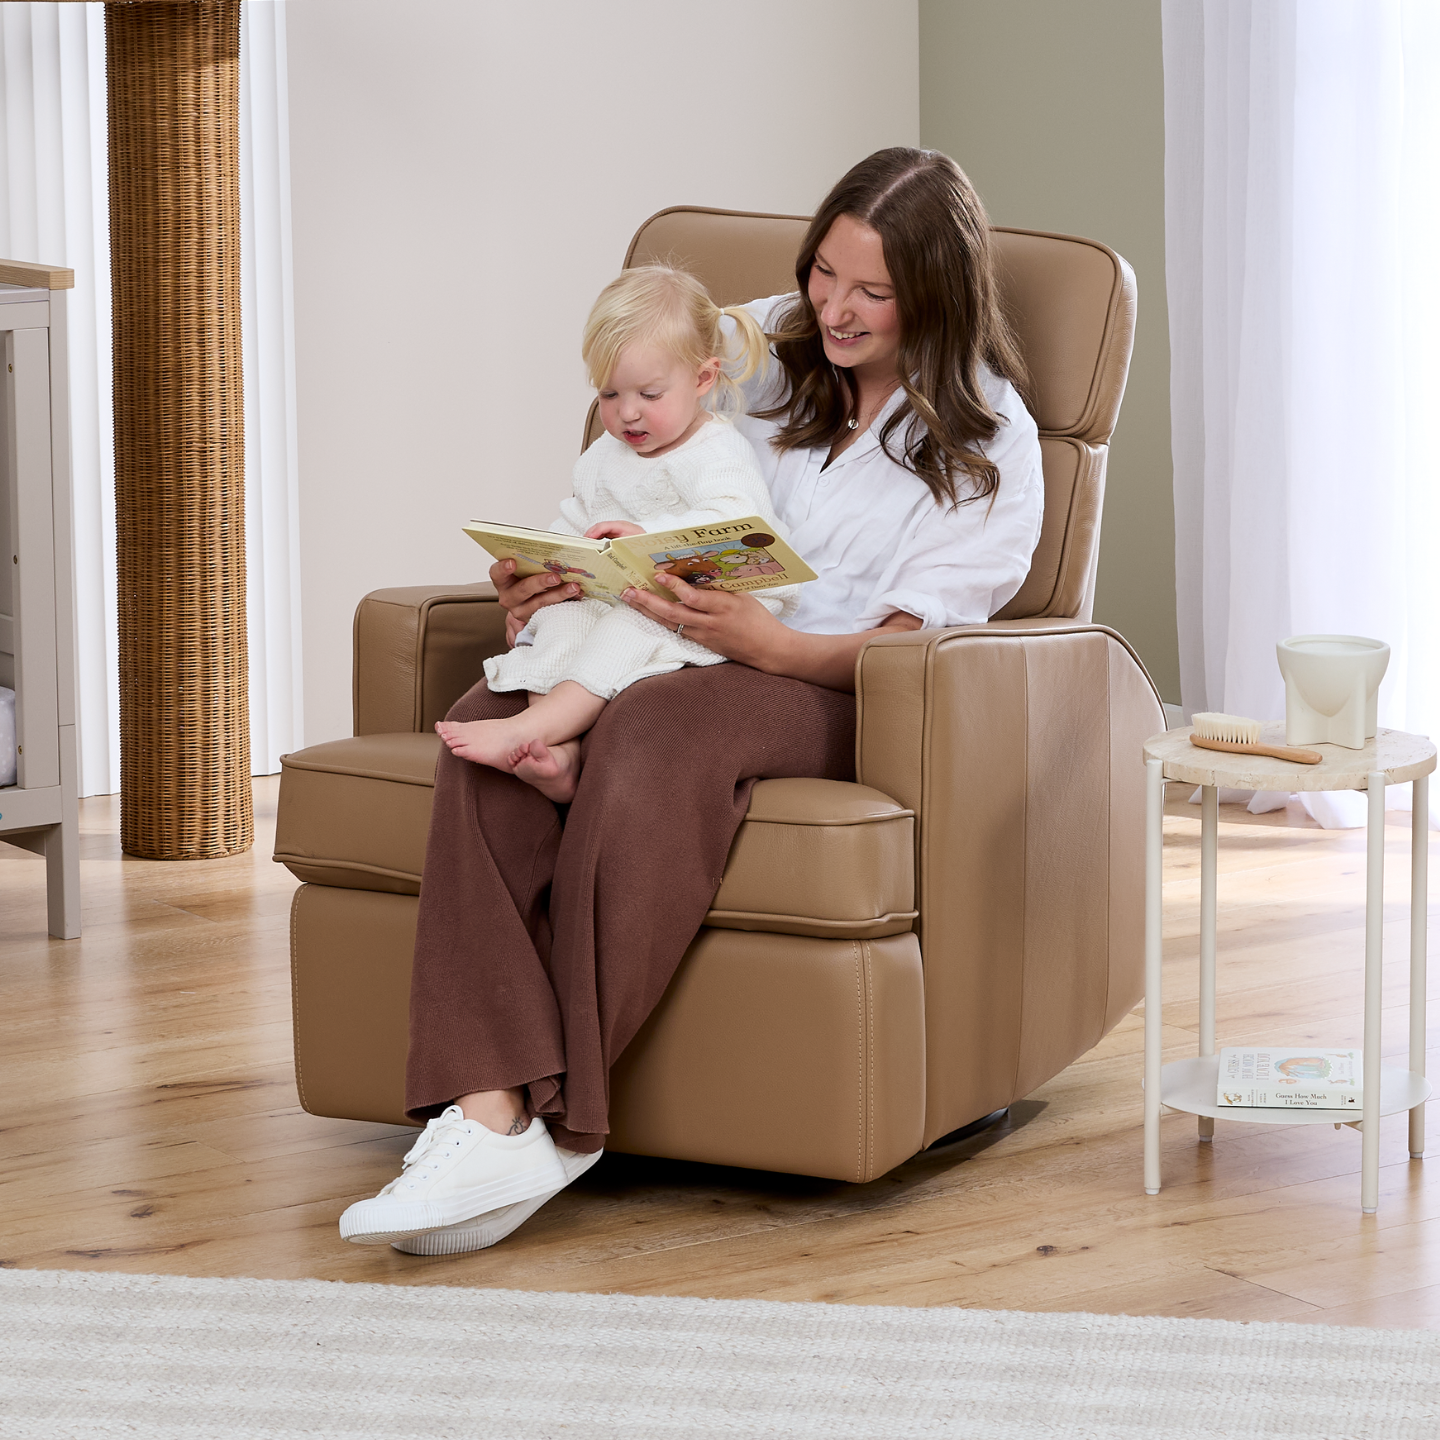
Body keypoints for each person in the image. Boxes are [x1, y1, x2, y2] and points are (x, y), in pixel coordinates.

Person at [338, 147, 1044, 1256]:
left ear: (937, 295)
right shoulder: (754, 344)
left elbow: (913, 646)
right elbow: (633, 441)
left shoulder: (988, 436)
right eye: (824, 273)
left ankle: (561, 1122)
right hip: (659, 630)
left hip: (826, 683)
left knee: (656, 731)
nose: (834, 308)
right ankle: (484, 1111)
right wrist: (550, 571)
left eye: (873, 291)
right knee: (492, 715)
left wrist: (769, 642)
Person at [435, 265, 799, 804]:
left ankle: (529, 731)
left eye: (649, 394)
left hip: (688, 609)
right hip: (612, 593)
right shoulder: (605, 454)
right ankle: (562, 756)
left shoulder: (715, 451)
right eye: (609, 394)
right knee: (561, 621)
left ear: (703, 379)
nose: (627, 413)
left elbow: (737, 523)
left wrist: (646, 534)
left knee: (627, 628)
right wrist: (542, 570)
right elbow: (576, 516)